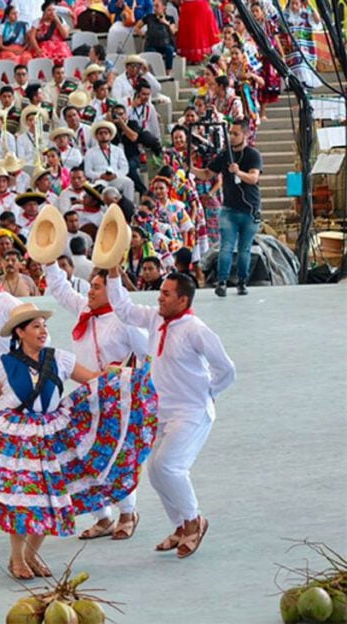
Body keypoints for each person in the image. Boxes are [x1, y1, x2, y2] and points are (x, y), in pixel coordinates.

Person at [0, 303, 155, 577]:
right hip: (16, 440)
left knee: (49, 499)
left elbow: (93, 381)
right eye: (35, 326)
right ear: (20, 332)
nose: (42, 331)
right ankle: (17, 559)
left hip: (50, 437)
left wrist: (120, 375)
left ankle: (31, 555)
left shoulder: (60, 358)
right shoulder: (4, 365)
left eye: (44, 326)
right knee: (22, 500)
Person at [107, 267, 235, 558]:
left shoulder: (196, 329)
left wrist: (208, 393)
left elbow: (226, 369)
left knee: (168, 466)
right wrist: (113, 275)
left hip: (191, 412)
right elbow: (125, 310)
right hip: (162, 412)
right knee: (155, 471)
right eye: (160, 292)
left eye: (166, 294)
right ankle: (179, 527)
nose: (159, 298)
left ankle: (194, 521)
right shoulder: (155, 318)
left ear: (183, 300)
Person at [43, 261, 153, 539]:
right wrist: (49, 260)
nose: (90, 291)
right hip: (87, 399)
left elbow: (148, 357)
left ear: (111, 291)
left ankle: (128, 513)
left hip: (118, 402)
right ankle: (102, 517)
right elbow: (59, 289)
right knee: (81, 455)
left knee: (117, 458)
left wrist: (124, 376)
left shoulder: (125, 321)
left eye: (96, 287)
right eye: (90, 286)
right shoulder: (84, 311)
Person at [191, 119, 262, 297]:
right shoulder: (224, 155)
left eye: (236, 133)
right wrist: (192, 169)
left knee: (245, 248)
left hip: (250, 208)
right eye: (230, 133)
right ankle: (222, 281)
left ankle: (242, 282)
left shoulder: (253, 155)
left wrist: (238, 172)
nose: (231, 136)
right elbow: (208, 174)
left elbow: (253, 178)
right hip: (229, 208)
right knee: (226, 246)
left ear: (246, 134)